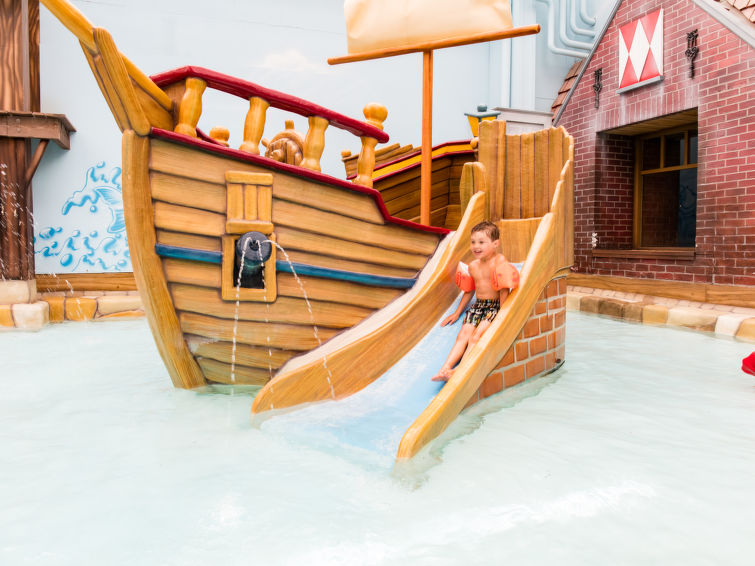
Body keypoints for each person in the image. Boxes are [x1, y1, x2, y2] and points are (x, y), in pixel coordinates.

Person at [431, 221, 517, 382]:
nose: (476, 246)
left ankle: (460, 370)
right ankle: (445, 369)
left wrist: (502, 313)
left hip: (494, 306)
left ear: (495, 243)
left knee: (476, 337)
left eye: (481, 242)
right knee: (463, 335)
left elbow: (504, 288)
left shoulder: (499, 261)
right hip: (478, 306)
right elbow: (469, 290)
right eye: (473, 242)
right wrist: (457, 313)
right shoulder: (473, 266)